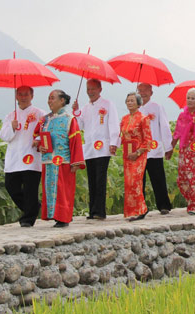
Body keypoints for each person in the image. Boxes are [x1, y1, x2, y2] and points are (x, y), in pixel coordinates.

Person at [34, 90, 85, 228]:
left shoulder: (69, 119)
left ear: (62, 101)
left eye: (52, 98)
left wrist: (76, 162)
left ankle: (63, 218)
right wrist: (39, 146)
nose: (49, 101)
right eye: (48, 98)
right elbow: (37, 137)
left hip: (63, 161)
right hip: (48, 160)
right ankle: (54, 216)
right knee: (50, 189)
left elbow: (76, 141)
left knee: (63, 190)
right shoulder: (44, 120)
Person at [71, 79, 119, 220]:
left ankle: (100, 211)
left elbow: (114, 123)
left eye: (93, 89)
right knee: (91, 178)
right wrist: (76, 111)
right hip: (90, 148)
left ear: (100, 89)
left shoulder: (108, 104)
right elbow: (79, 126)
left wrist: (114, 141)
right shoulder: (85, 108)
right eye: (88, 89)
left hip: (104, 146)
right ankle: (92, 210)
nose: (90, 92)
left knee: (100, 178)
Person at [0, 86, 45, 227]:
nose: (23, 97)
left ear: (32, 96)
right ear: (16, 96)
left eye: (26, 94)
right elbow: (3, 136)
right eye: (20, 94)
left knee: (30, 189)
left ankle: (28, 219)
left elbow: (47, 132)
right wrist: (11, 127)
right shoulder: (11, 115)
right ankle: (33, 207)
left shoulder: (40, 114)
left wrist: (40, 140)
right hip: (15, 157)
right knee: (11, 186)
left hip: (31, 156)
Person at [137, 83, 173, 214]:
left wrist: (168, 146)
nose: (142, 93)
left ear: (151, 93)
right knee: (139, 180)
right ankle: (140, 208)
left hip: (154, 149)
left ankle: (164, 205)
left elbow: (164, 127)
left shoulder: (157, 107)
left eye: (145, 91)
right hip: (138, 151)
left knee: (158, 178)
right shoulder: (135, 108)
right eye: (140, 91)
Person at [120, 93, 152, 221]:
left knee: (135, 181)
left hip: (139, 154)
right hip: (127, 153)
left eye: (132, 100)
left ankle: (141, 209)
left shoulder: (143, 119)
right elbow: (122, 136)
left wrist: (138, 152)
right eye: (128, 100)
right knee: (128, 183)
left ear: (139, 103)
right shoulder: (124, 118)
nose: (129, 103)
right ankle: (131, 211)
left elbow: (148, 139)